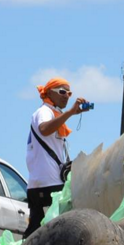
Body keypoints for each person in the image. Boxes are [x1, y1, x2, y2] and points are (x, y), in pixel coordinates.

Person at [25, 76, 89, 236]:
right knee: (52, 231)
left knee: (41, 231)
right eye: (62, 92)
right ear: (50, 93)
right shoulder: (44, 112)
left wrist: (70, 114)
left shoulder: (54, 114)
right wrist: (70, 112)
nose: (67, 96)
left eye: (69, 93)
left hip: (47, 182)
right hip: (46, 184)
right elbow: (44, 129)